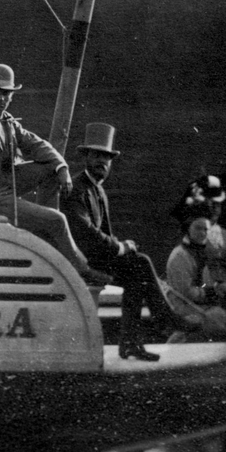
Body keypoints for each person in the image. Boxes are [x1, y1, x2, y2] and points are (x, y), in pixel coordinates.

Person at [0, 64, 104, 283]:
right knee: (58, 219)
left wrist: (62, 167)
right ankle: (81, 269)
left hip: (7, 184)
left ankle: (44, 231)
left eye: (6, 94)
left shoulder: (8, 121)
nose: (1, 98)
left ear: (11, 97)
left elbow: (36, 143)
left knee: (51, 168)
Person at [61, 123, 165, 361]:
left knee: (138, 266)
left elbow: (104, 235)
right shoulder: (75, 189)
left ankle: (130, 344)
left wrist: (123, 246)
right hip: (81, 261)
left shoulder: (98, 190)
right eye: (97, 155)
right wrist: (120, 247)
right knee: (139, 264)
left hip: (97, 257)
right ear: (86, 157)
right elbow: (85, 233)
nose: (102, 162)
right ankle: (164, 318)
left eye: (107, 157)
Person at [164, 205, 226, 340]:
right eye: (198, 228)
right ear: (188, 229)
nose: (203, 233)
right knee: (219, 315)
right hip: (184, 307)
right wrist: (213, 291)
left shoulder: (203, 252)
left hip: (202, 303)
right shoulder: (180, 256)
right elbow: (186, 293)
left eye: (206, 229)